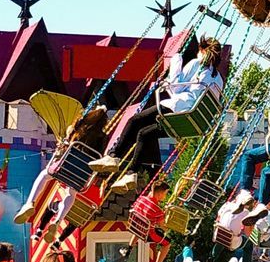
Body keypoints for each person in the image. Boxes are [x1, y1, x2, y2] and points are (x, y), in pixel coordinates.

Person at [92, 37, 225, 183]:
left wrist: (176, 62)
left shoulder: (197, 64)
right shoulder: (218, 79)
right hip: (192, 122)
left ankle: (113, 156)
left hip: (179, 108)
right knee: (145, 134)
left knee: (135, 121)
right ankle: (131, 174)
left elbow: (175, 87)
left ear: (203, 51)